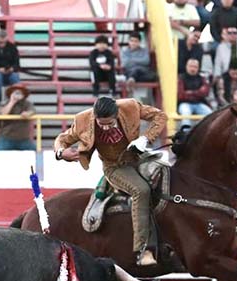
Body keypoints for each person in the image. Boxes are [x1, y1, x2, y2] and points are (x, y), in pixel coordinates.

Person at [54, 97, 167, 266]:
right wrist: (61, 153)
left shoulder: (130, 107)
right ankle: (143, 250)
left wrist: (145, 139)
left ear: (117, 113)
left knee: (169, 179)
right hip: (114, 167)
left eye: (110, 123)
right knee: (141, 191)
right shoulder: (83, 119)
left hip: (140, 158)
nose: (106, 127)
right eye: (101, 124)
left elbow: (160, 116)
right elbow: (63, 139)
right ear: (95, 117)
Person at [0, 84, 35, 150]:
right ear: (11, 94)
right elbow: (3, 114)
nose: (17, 95)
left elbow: (32, 111)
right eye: (15, 92)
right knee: (0, 156)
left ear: (23, 95)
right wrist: (12, 102)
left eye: (20, 93)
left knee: (36, 153)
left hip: (23, 139)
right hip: (6, 138)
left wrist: (27, 113)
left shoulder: (27, 104)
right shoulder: (4, 103)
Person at [178, 58, 212, 127]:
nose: (193, 69)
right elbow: (181, 95)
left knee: (210, 113)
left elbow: (205, 93)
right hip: (184, 103)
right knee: (185, 113)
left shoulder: (202, 78)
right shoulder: (180, 78)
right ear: (186, 67)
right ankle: (185, 133)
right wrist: (198, 92)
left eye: (195, 67)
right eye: (191, 66)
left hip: (199, 103)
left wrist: (189, 92)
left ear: (198, 68)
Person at [121, 31, 156, 96]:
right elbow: (125, 64)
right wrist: (139, 61)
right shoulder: (124, 51)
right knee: (134, 70)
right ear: (128, 41)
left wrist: (131, 60)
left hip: (142, 72)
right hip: (129, 72)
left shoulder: (144, 50)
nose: (133, 43)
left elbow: (146, 61)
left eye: (136, 41)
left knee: (140, 70)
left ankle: (132, 79)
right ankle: (132, 79)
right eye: (132, 41)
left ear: (139, 42)